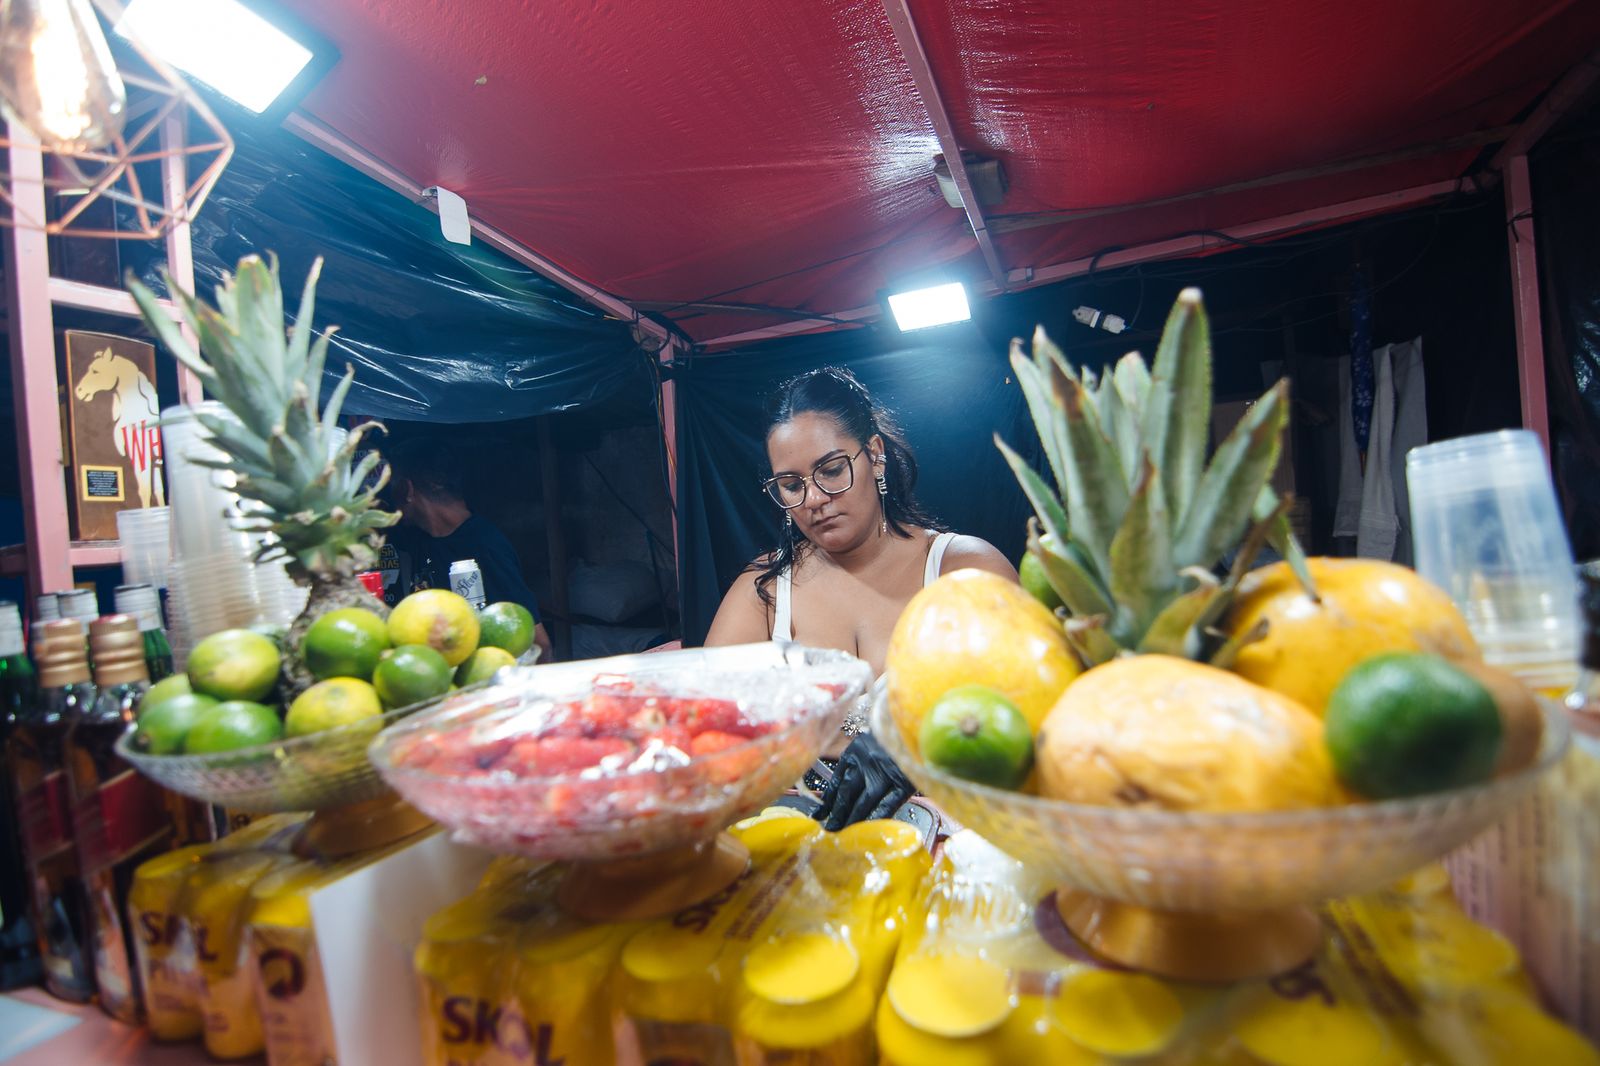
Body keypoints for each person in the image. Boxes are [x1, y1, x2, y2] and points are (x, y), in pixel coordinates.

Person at [705, 367, 1016, 827]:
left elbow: (1027, 699)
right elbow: (702, 726)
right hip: (809, 839)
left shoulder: (960, 569)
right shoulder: (766, 593)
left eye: (831, 470)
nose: (814, 498)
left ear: (875, 455)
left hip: (962, 837)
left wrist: (916, 738)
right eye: (791, 484)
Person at [383, 437, 554, 664]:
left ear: (406, 489)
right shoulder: (421, 537)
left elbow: (539, 645)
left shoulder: (484, 546)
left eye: (392, 487)